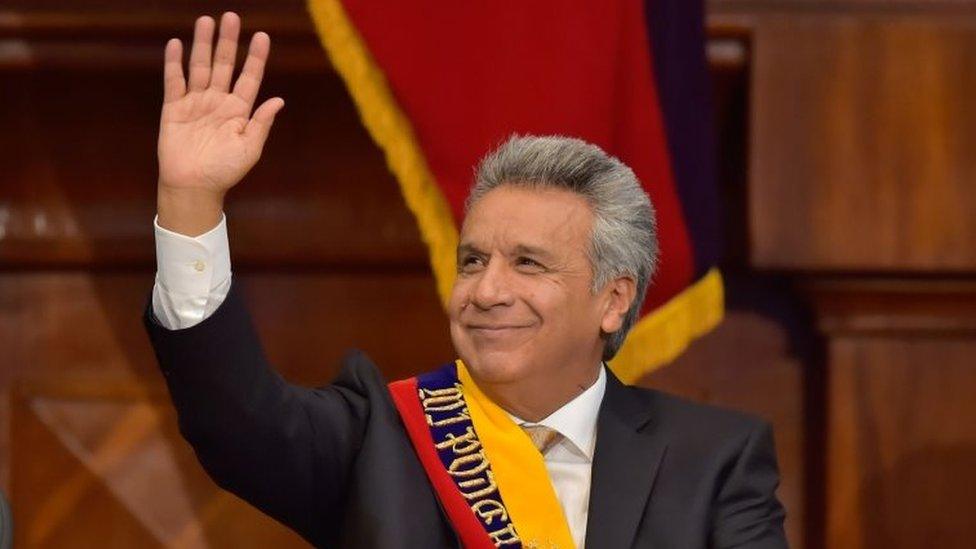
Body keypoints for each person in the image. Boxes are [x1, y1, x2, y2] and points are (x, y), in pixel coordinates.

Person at [145, 11, 787, 549]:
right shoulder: (381, 437)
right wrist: (190, 201)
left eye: (527, 263)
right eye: (473, 260)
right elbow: (235, 421)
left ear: (613, 300)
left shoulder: (714, 459)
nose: (485, 292)